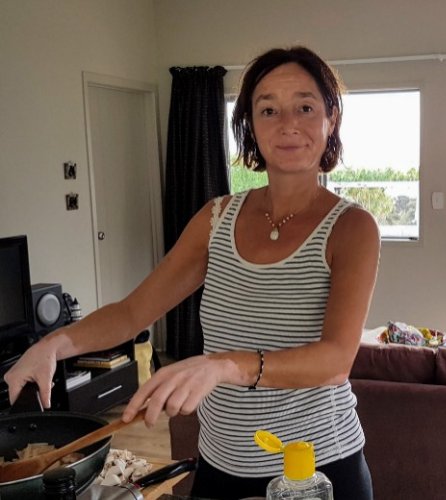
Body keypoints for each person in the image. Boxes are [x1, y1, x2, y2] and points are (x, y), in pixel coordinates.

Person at [4, 46, 380, 500]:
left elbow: (336, 361)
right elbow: (131, 313)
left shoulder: (352, 227)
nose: (287, 124)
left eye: (305, 107)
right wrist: (54, 344)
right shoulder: (215, 219)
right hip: (221, 463)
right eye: (268, 110)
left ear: (330, 118)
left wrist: (222, 365)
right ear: (250, 124)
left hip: (316, 469)